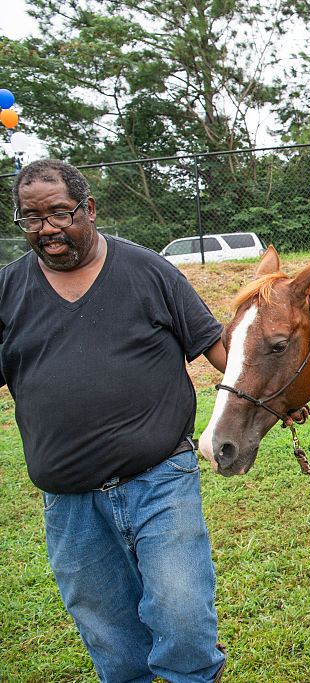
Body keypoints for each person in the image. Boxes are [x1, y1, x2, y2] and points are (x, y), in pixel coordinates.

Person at [0, 159, 228, 682]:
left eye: (59, 213)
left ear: (89, 209)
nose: (47, 228)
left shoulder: (149, 270)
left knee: (183, 616)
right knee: (111, 638)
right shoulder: (8, 290)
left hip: (160, 479)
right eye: (31, 219)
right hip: (69, 500)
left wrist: (274, 394)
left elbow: (216, 346)